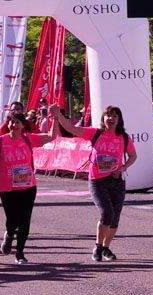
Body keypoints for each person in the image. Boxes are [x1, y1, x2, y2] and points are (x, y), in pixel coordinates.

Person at [51, 104, 137, 262]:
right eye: (108, 115)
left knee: (115, 216)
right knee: (107, 213)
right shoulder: (95, 133)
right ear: (103, 119)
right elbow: (71, 129)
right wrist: (58, 116)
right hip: (98, 181)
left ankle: (106, 248)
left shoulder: (124, 137)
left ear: (119, 120)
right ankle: (98, 247)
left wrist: (123, 167)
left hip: (117, 181)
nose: (111, 118)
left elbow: (133, 156)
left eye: (114, 116)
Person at [0, 113, 53, 265]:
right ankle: (10, 235)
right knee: (12, 219)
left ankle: (20, 252)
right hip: (7, 187)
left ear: (23, 125)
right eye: (11, 122)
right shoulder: (0, 141)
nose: (14, 125)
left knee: (25, 220)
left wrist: (55, 118)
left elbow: (51, 136)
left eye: (17, 122)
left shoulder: (28, 139)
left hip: (28, 186)